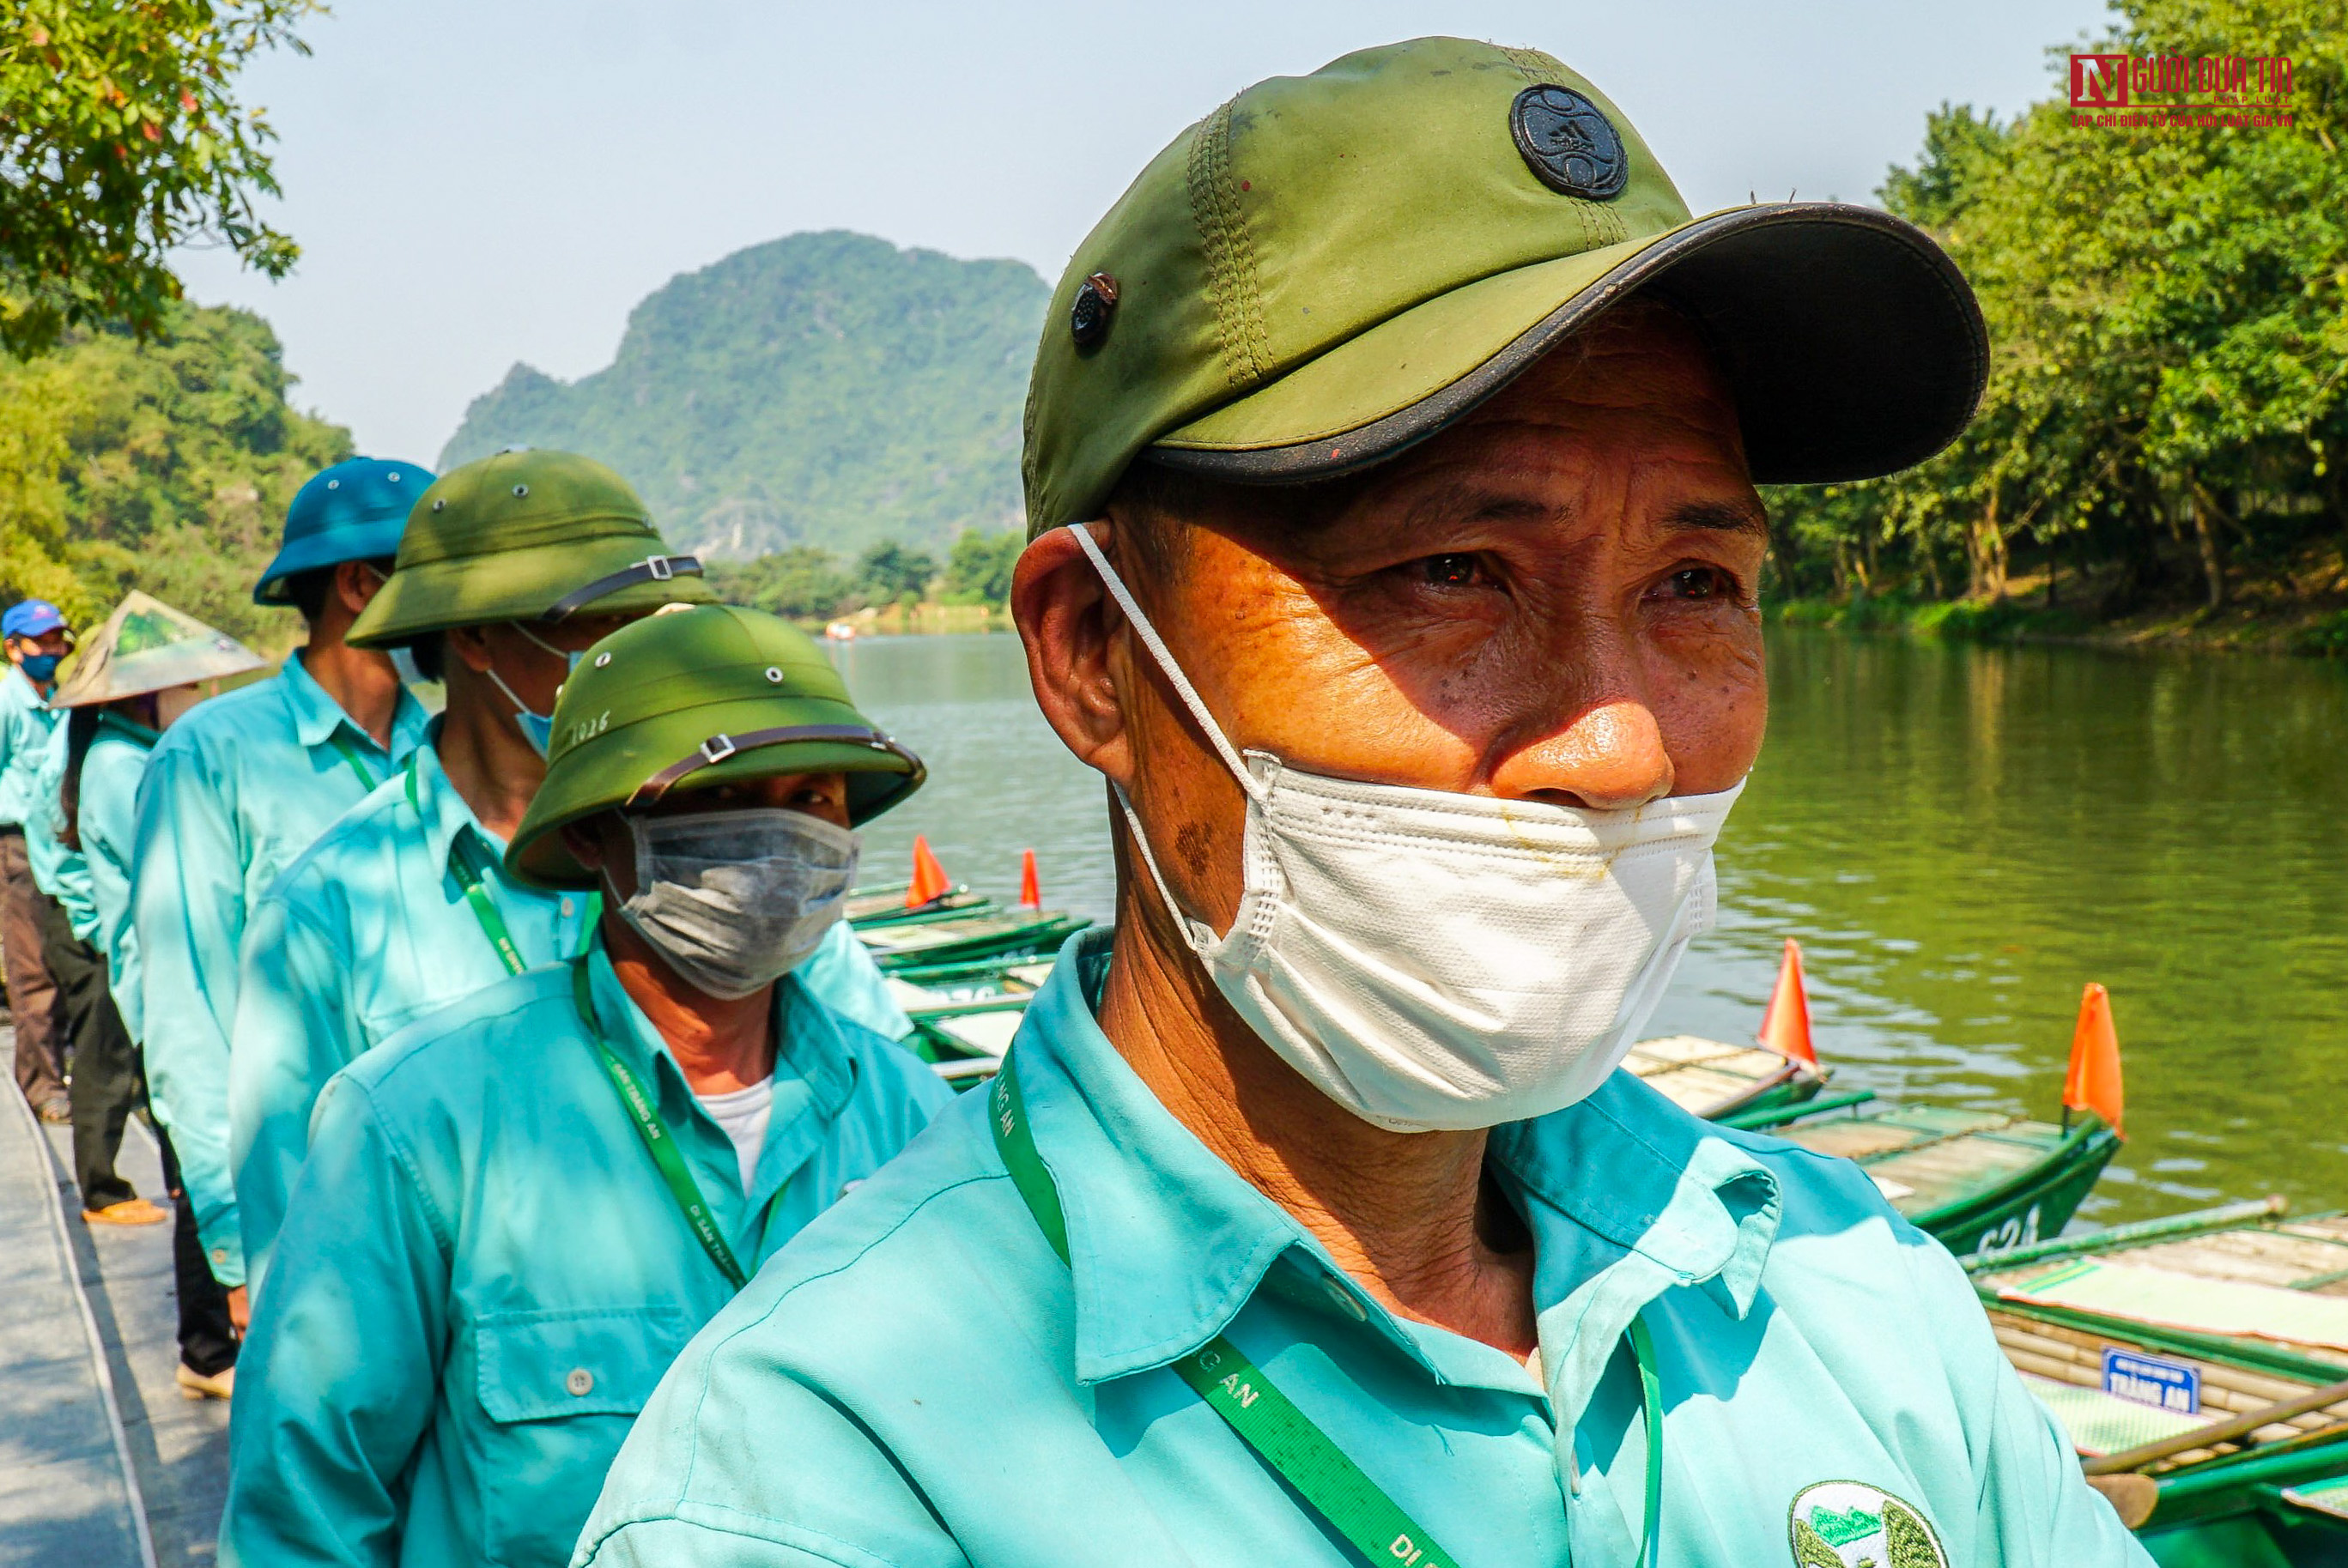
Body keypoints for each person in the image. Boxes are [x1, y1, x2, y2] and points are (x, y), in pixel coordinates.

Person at [579, 39, 2149, 1568]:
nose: (1621, 747)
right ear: (1094, 659)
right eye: (1452, 572)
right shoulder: (817, 1485)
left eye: (1694, 582)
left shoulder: (1850, 1290)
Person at [223, 604, 956, 1568]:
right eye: (719, 796)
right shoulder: (418, 1127)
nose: (775, 839)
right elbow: (305, 1517)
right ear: (593, 839)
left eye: (811, 799)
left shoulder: (919, 1129)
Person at [228, 448, 716, 1284]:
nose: (630, 658)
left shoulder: (713, 849)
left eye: (646, 625)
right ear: (480, 637)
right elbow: (305, 1272)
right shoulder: (327, 912)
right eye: (598, 626)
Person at [134, 457, 435, 1340]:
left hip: (454, 1194)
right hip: (312, 1209)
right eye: (436, 575)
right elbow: (188, 1007)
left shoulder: (448, 753)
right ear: (359, 585)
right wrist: (235, 1239)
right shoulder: (211, 757)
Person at [52, 590, 268, 1395]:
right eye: (189, 687)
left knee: (196, 1162)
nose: (201, 699)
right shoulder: (129, 766)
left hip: (156, 972)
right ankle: (207, 1346)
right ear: (148, 693)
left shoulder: (126, 754)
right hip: (161, 983)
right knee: (200, 1169)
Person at [0, 597, 74, 1122]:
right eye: (41, 641)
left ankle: (65, 1068)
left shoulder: (64, 699)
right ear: (13, 647)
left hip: (62, 843)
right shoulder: (7, 704)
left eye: (57, 640)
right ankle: (41, 1084)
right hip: (18, 846)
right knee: (32, 970)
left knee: (70, 958)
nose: (52, 649)